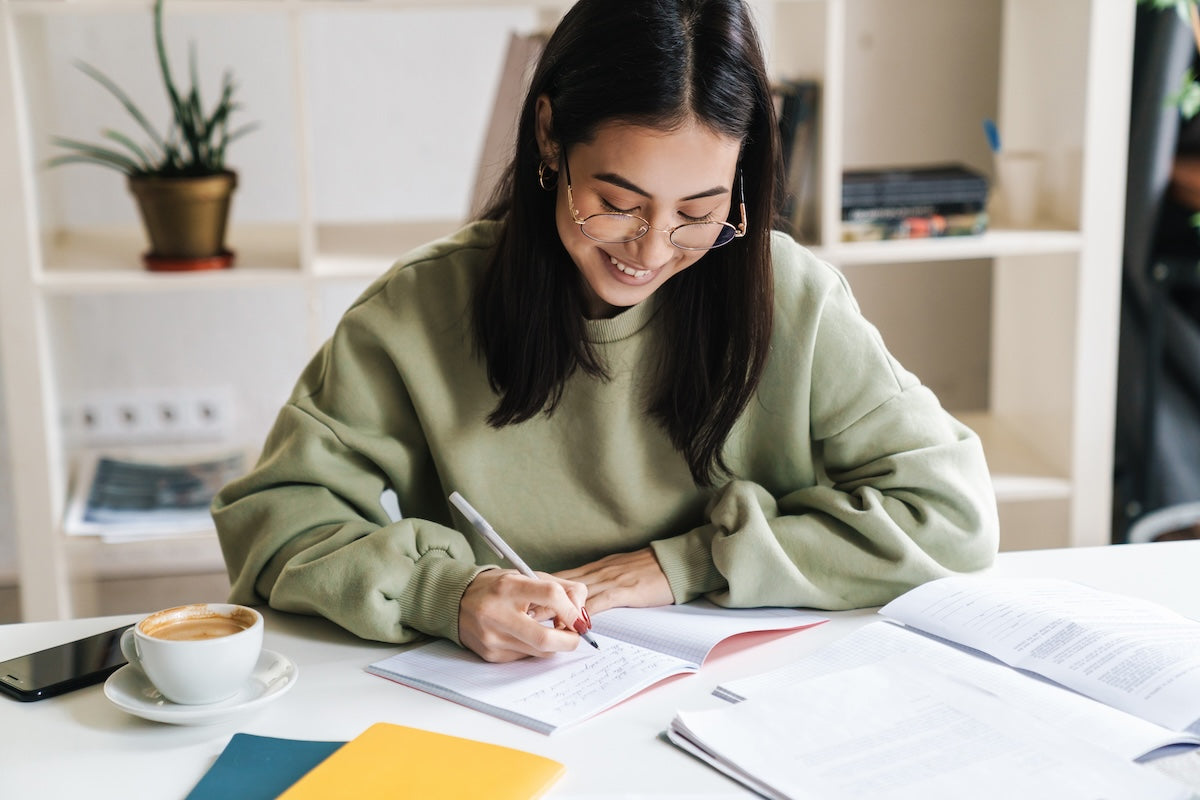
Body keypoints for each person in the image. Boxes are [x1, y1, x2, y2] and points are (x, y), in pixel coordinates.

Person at [212, 0, 999, 663]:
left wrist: (687, 563)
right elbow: (273, 521)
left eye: (698, 213)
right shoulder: (420, 309)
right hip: (500, 704)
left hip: (748, 698)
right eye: (618, 204)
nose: (651, 252)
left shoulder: (793, 298)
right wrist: (442, 592)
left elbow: (953, 515)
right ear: (549, 136)